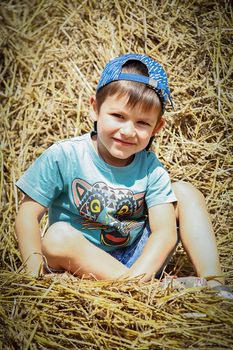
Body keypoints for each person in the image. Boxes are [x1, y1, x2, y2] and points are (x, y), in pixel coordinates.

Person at [15, 53, 231, 297]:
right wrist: (33, 278)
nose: (128, 131)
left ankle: (215, 285)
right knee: (56, 236)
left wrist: (137, 275)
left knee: (185, 192)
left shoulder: (150, 167)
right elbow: (27, 216)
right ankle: (151, 290)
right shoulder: (64, 155)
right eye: (118, 116)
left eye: (142, 123)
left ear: (157, 128)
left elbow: (164, 232)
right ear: (95, 109)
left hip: (136, 262)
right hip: (77, 261)